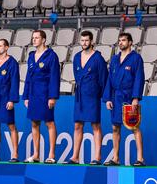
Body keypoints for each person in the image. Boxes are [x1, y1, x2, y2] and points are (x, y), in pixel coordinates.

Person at [102, 33, 145, 166]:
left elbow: (139, 78)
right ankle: (115, 158)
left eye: (123, 40)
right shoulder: (114, 59)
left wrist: (135, 98)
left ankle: (140, 158)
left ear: (130, 42)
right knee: (115, 127)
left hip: (128, 96)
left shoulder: (136, 59)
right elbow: (109, 79)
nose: (120, 43)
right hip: (115, 97)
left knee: (134, 127)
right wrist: (108, 98)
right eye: (119, 41)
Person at [65, 31, 108, 165]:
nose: (84, 43)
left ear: (92, 42)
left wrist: (101, 96)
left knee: (95, 125)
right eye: (82, 41)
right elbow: (77, 75)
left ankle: (97, 157)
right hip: (80, 95)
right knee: (78, 125)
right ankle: (75, 156)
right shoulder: (77, 57)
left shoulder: (98, 58)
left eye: (86, 41)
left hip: (92, 95)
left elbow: (104, 79)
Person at [23, 30, 60, 164]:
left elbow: (55, 77)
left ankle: (51, 155)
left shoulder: (51, 56)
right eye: (33, 38)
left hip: (45, 93)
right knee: (34, 123)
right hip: (33, 94)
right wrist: (26, 95)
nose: (34, 40)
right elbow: (28, 77)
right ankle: (36, 154)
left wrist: (52, 96)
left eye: (37, 38)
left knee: (49, 122)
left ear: (44, 40)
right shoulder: (31, 56)